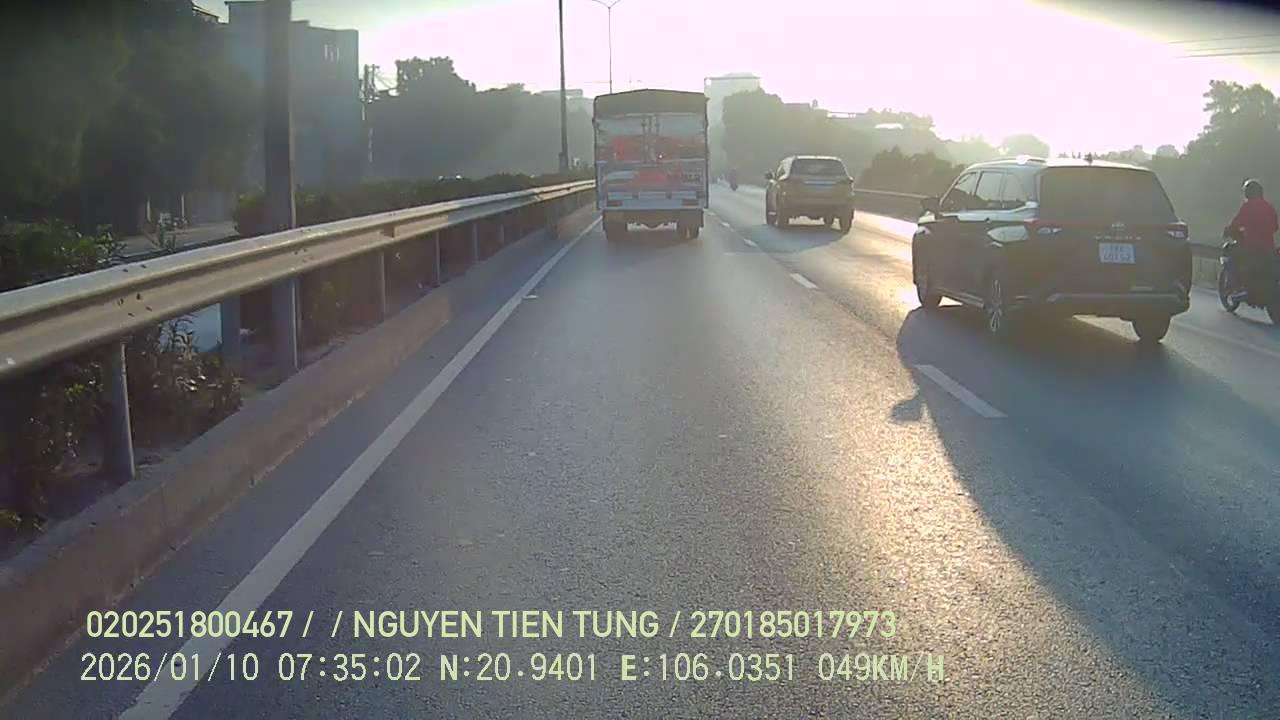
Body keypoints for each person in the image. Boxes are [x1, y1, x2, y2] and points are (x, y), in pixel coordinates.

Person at [1224, 179, 1279, 302]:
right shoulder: (1269, 207)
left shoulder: (1248, 207)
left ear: (1248, 193)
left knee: (1232, 255)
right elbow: (1276, 227)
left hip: (1251, 247)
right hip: (1269, 248)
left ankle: (1237, 286)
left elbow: (1236, 223)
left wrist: (1228, 230)